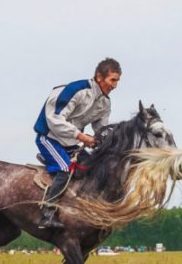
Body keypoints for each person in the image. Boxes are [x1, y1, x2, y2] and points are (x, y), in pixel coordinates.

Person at [33, 58, 122, 229]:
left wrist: (104, 140)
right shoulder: (77, 90)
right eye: (112, 80)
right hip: (49, 138)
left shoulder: (105, 103)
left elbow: (101, 128)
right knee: (65, 169)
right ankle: (46, 214)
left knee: (93, 169)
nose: (115, 85)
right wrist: (82, 137)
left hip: (71, 143)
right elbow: (54, 119)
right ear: (99, 77)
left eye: (117, 81)